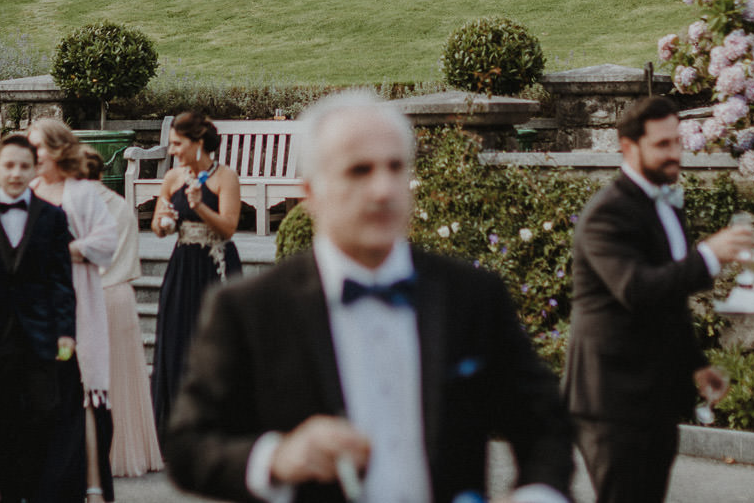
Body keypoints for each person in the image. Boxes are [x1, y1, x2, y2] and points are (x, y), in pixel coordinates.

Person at [165, 91, 574, 503]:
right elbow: (189, 446)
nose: (383, 189)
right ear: (311, 193)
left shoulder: (470, 296)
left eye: (395, 167)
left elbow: (544, 422)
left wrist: (537, 494)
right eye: (359, 171)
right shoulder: (250, 309)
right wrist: (276, 458)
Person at [565, 96, 753, 503]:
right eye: (662, 145)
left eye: (677, 142)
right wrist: (708, 254)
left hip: (655, 395)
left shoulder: (665, 202)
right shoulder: (606, 214)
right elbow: (638, 289)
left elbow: (670, 298)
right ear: (628, 147)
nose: (675, 154)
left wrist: (697, 365)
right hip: (611, 398)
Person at [0, 135, 78, 503]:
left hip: (41, 335)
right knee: (2, 425)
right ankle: (10, 496)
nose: (15, 173)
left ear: (35, 169)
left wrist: (66, 331)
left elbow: (61, 279)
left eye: (24, 166)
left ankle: (39, 492)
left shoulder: (53, 217)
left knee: (44, 415)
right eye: (8, 165)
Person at [30, 118, 121, 498]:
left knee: (82, 394)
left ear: (58, 150)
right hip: (35, 310)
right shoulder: (29, 190)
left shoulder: (80, 194)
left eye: (38, 147)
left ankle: (92, 485)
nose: (32, 155)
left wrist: (68, 250)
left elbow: (106, 242)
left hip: (78, 302)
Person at [149, 111, 244, 434]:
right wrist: (165, 222)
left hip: (215, 265)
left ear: (198, 143)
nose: (172, 149)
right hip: (183, 264)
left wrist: (200, 205)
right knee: (177, 336)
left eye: (177, 143)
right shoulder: (173, 178)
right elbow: (158, 226)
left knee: (213, 338)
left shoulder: (224, 177)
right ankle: (176, 423)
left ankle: (218, 421)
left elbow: (229, 227)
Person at [81, 150, 163, 478]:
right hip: (122, 295)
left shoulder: (77, 207)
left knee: (94, 378)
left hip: (92, 294)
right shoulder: (121, 204)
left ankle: (95, 455)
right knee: (126, 376)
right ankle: (134, 450)